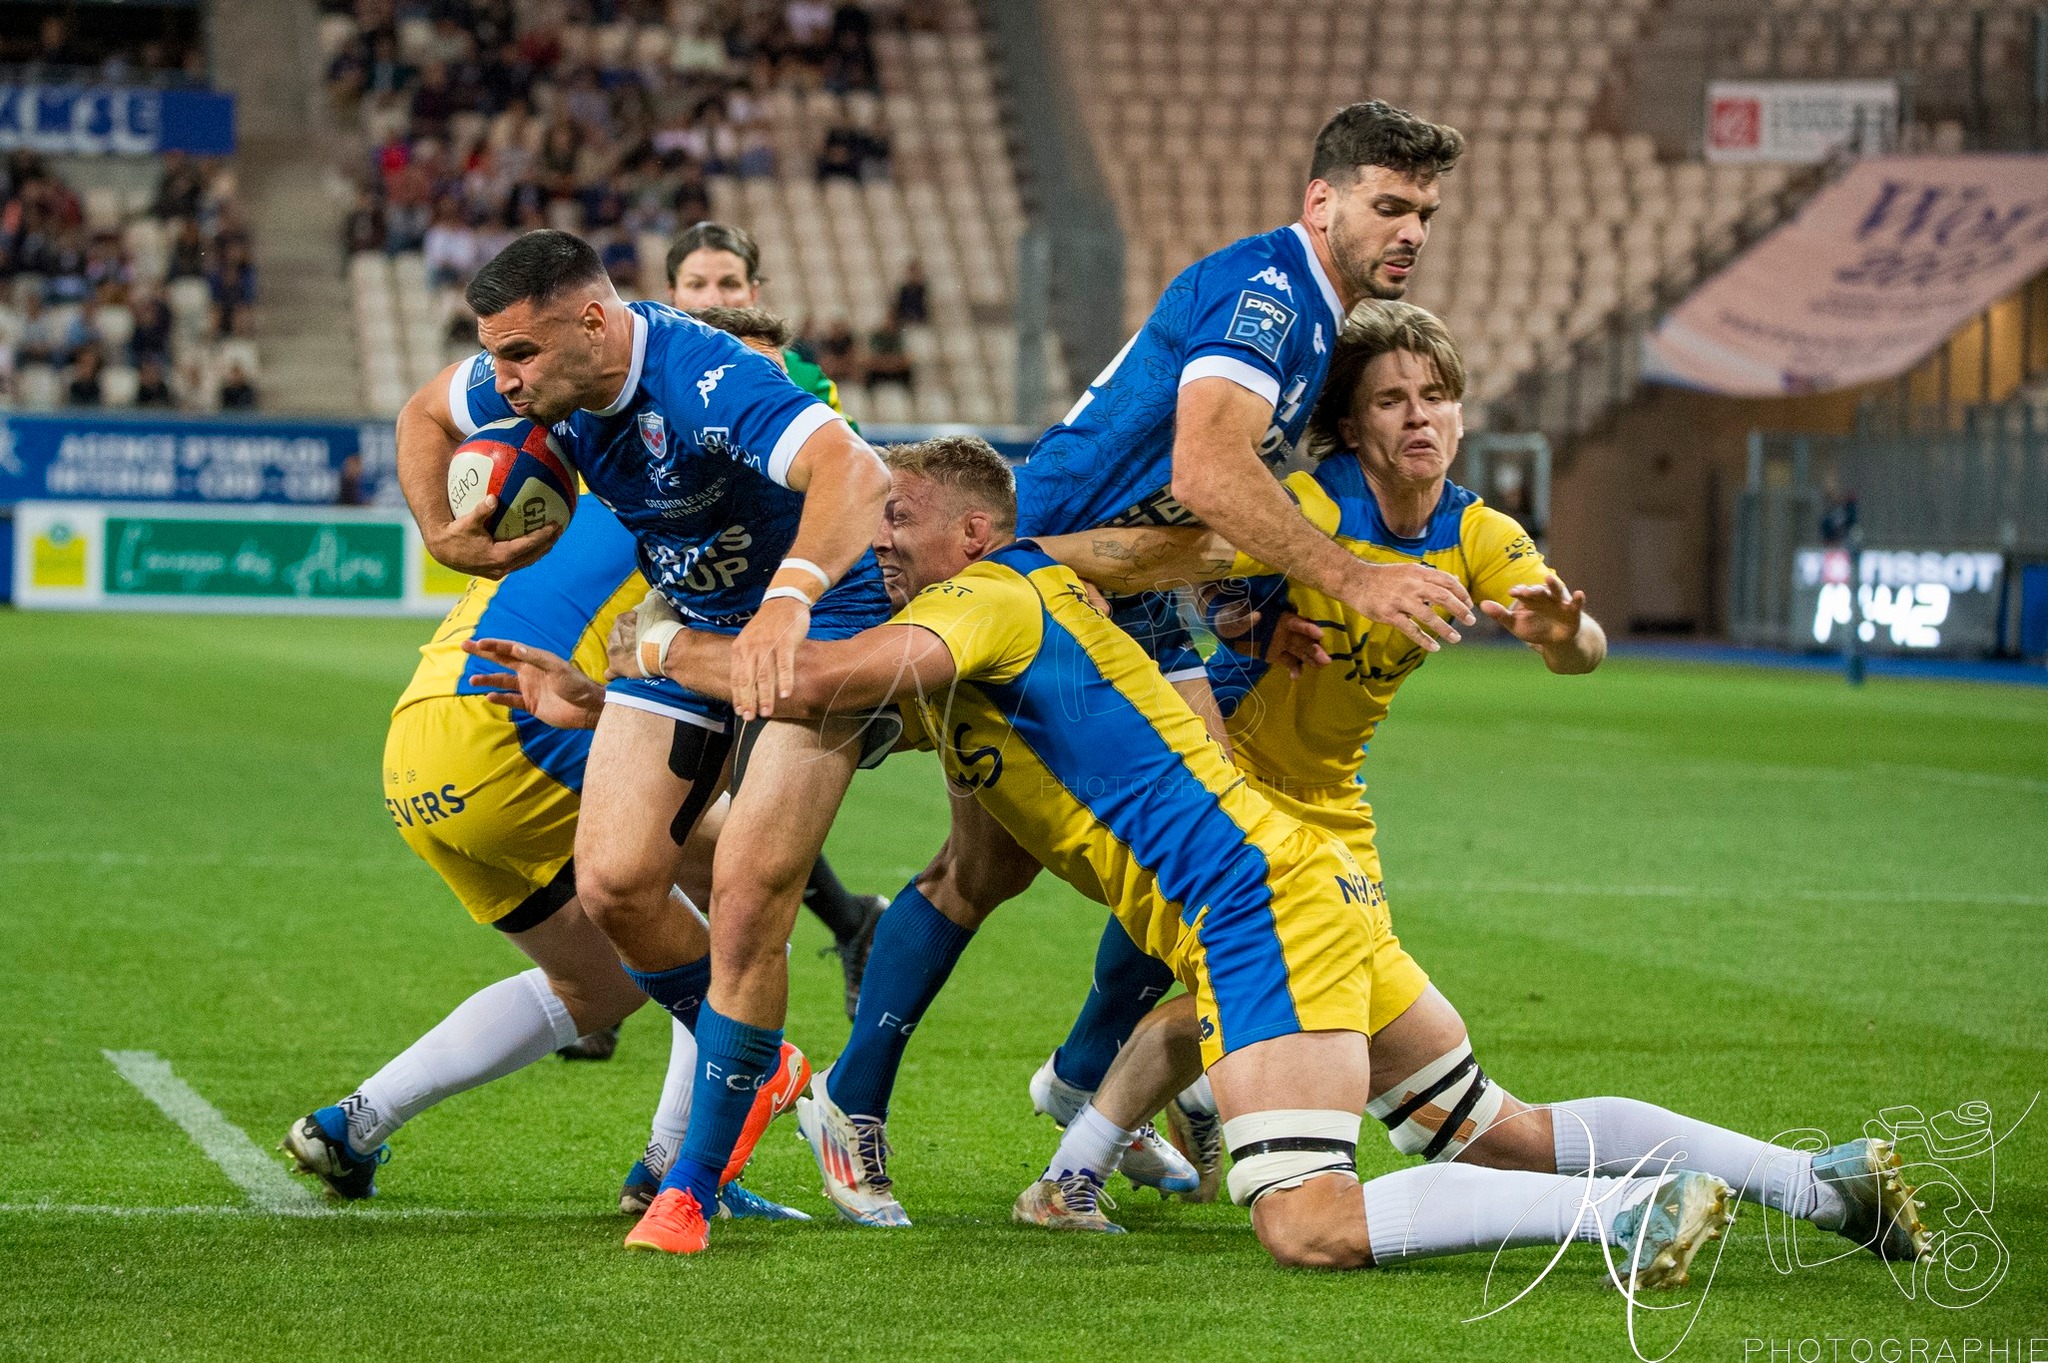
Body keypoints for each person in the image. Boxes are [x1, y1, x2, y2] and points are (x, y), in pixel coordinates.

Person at [621, 435, 1750, 1283]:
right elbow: (855, 718)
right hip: (1297, 880)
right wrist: (594, 704)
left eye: (900, 518)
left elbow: (815, 682)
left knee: (1306, 1220)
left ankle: (1616, 1215)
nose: (878, 541)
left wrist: (663, 646)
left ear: (973, 531)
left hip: (1247, 900)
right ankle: (1819, 1179)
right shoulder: (989, 630)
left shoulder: (989, 594)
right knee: (1494, 1128)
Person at [1005, 302, 1930, 1269]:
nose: (1420, 417)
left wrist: (1563, 633)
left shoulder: (1476, 530)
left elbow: (1585, 648)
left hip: (1330, 822)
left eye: (1437, 397)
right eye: (1393, 400)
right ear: (1353, 425)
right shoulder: (1311, 512)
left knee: (1486, 1125)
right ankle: (1084, 1158)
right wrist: (1230, 620)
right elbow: (1176, 565)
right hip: (1237, 799)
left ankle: (1812, 1184)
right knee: (1213, 994)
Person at [791, 100, 1480, 1227]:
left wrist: (1249, 614)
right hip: (1037, 584)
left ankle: (1078, 1075)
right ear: (1322, 201)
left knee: (1182, 849)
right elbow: (1209, 474)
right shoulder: (1268, 293)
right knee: (1019, 870)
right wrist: (1353, 578)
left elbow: (1196, 506)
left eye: (1424, 212)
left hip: (1126, 602)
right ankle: (857, 1097)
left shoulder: (1309, 317)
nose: (1409, 230)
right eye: (1388, 205)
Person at [394, 230, 892, 1259]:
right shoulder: (536, 387)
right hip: (684, 626)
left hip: (811, 628)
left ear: (590, 321)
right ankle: (749, 1064)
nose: (502, 378)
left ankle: (690, 1191)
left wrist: (788, 602)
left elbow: (854, 468)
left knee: (748, 891)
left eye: (518, 355)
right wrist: (442, 537)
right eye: (493, 355)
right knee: (617, 883)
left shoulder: (702, 376)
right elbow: (423, 413)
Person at [282, 308, 821, 1227]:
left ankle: (352, 1125)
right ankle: (685, 1166)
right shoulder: (693, 496)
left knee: (602, 984)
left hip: (423, 741)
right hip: (520, 726)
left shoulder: (598, 452)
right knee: (727, 910)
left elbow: (432, 413)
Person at [664, 219, 889, 1016]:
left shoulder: (788, 376)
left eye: (728, 285)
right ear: (671, 296)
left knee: (737, 800)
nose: (713, 297)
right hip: (693, 591)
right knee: (689, 802)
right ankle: (840, 922)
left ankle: (644, 987)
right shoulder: (654, 385)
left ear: (753, 294)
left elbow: (845, 472)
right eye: (697, 285)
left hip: (772, 604)